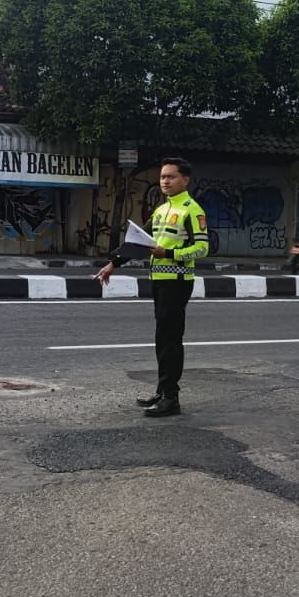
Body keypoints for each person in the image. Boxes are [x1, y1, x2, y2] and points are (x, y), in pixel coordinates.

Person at [95, 157, 210, 417]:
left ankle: (171, 398)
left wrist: (167, 253)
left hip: (178, 283)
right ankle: (162, 390)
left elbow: (203, 248)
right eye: (162, 177)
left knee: (170, 340)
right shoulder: (161, 210)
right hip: (158, 282)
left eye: (171, 177)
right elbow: (138, 241)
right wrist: (113, 263)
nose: (165, 181)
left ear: (185, 180)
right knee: (162, 338)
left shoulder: (192, 210)